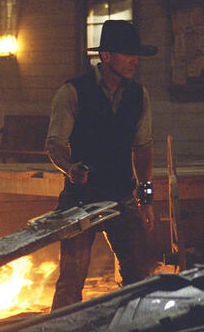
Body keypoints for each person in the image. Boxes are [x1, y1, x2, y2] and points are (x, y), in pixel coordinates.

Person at [46, 20, 156, 310]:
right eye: (126, 53)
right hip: (80, 201)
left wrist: (146, 201)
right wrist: (69, 168)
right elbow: (54, 145)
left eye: (136, 54)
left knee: (138, 274)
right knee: (71, 280)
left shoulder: (138, 95)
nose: (134, 61)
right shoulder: (73, 92)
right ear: (106, 56)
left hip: (122, 197)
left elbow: (143, 151)